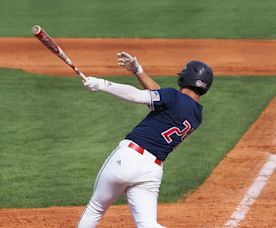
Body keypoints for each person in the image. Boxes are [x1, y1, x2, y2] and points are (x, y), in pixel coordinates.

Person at [77, 52, 214, 228]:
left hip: (128, 158)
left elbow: (137, 96)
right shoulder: (197, 115)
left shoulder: (172, 97)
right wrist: (138, 71)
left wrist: (103, 84)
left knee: (95, 209)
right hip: (152, 171)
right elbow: (161, 96)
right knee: (147, 224)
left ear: (186, 78)